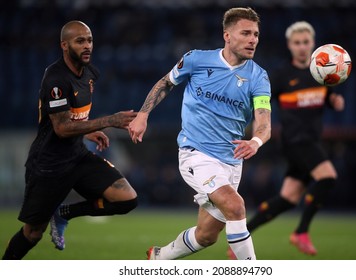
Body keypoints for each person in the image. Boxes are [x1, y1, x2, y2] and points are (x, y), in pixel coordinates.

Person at [128, 7, 272, 260]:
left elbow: (264, 122)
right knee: (236, 206)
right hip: (197, 154)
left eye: (256, 35)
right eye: (246, 33)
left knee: (206, 235)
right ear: (227, 35)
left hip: (231, 161)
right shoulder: (196, 59)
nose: (253, 40)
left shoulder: (259, 77)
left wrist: (256, 141)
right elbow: (166, 83)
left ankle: (158, 258)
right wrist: (143, 114)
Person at [2, 20, 138, 260]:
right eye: (80, 41)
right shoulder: (56, 80)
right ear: (64, 45)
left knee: (127, 199)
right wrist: (108, 121)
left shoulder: (90, 74)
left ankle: (64, 213)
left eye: (90, 40)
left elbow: (73, 117)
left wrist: (86, 131)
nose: (87, 46)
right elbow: (62, 128)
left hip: (77, 156)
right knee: (33, 233)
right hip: (49, 165)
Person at [228, 21, 345, 258]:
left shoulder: (322, 74)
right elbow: (260, 104)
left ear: (313, 45)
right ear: (290, 46)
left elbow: (329, 97)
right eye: (297, 43)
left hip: (311, 140)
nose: (302, 47)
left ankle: (242, 236)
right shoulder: (281, 76)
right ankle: (301, 232)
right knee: (328, 176)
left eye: (306, 42)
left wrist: (334, 101)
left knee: (289, 198)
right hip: (295, 141)